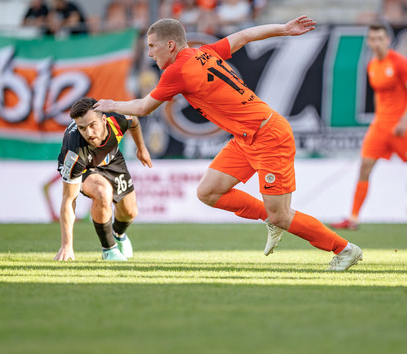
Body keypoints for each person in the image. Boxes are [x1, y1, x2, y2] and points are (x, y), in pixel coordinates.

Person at [94, 16, 363, 271]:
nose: (150, 53)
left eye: (152, 46)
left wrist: (110, 104)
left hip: (268, 136)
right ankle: (270, 217)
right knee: (209, 192)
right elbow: (245, 35)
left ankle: (344, 249)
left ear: (170, 45)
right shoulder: (205, 52)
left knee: (282, 215)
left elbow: (143, 107)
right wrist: (284, 28)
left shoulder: (177, 70)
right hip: (247, 137)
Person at [55, 98, 152, 261]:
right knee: (102, 192)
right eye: (82, 128)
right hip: (85, 168)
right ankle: (109, 250)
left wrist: (141, 149)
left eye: (93, 125)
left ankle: (119, 234)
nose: (89, 133)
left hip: (111, 159)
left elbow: (134, 121)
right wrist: (66, 245)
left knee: (130, 212)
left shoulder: (117, 118)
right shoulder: (75, 152)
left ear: (104, 120)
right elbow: (68, 199)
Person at [331, 23, 407, 230]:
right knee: (364, 167)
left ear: (388, 40)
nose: (376, 42)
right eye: (373, 39)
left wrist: (404, 120)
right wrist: (377, 117)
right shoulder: (372, 64)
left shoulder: (399, 63)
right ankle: (353, 218)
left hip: (401, 126)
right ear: (369, 42)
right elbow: (379, 94)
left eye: (380, 38)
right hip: (380, 126)